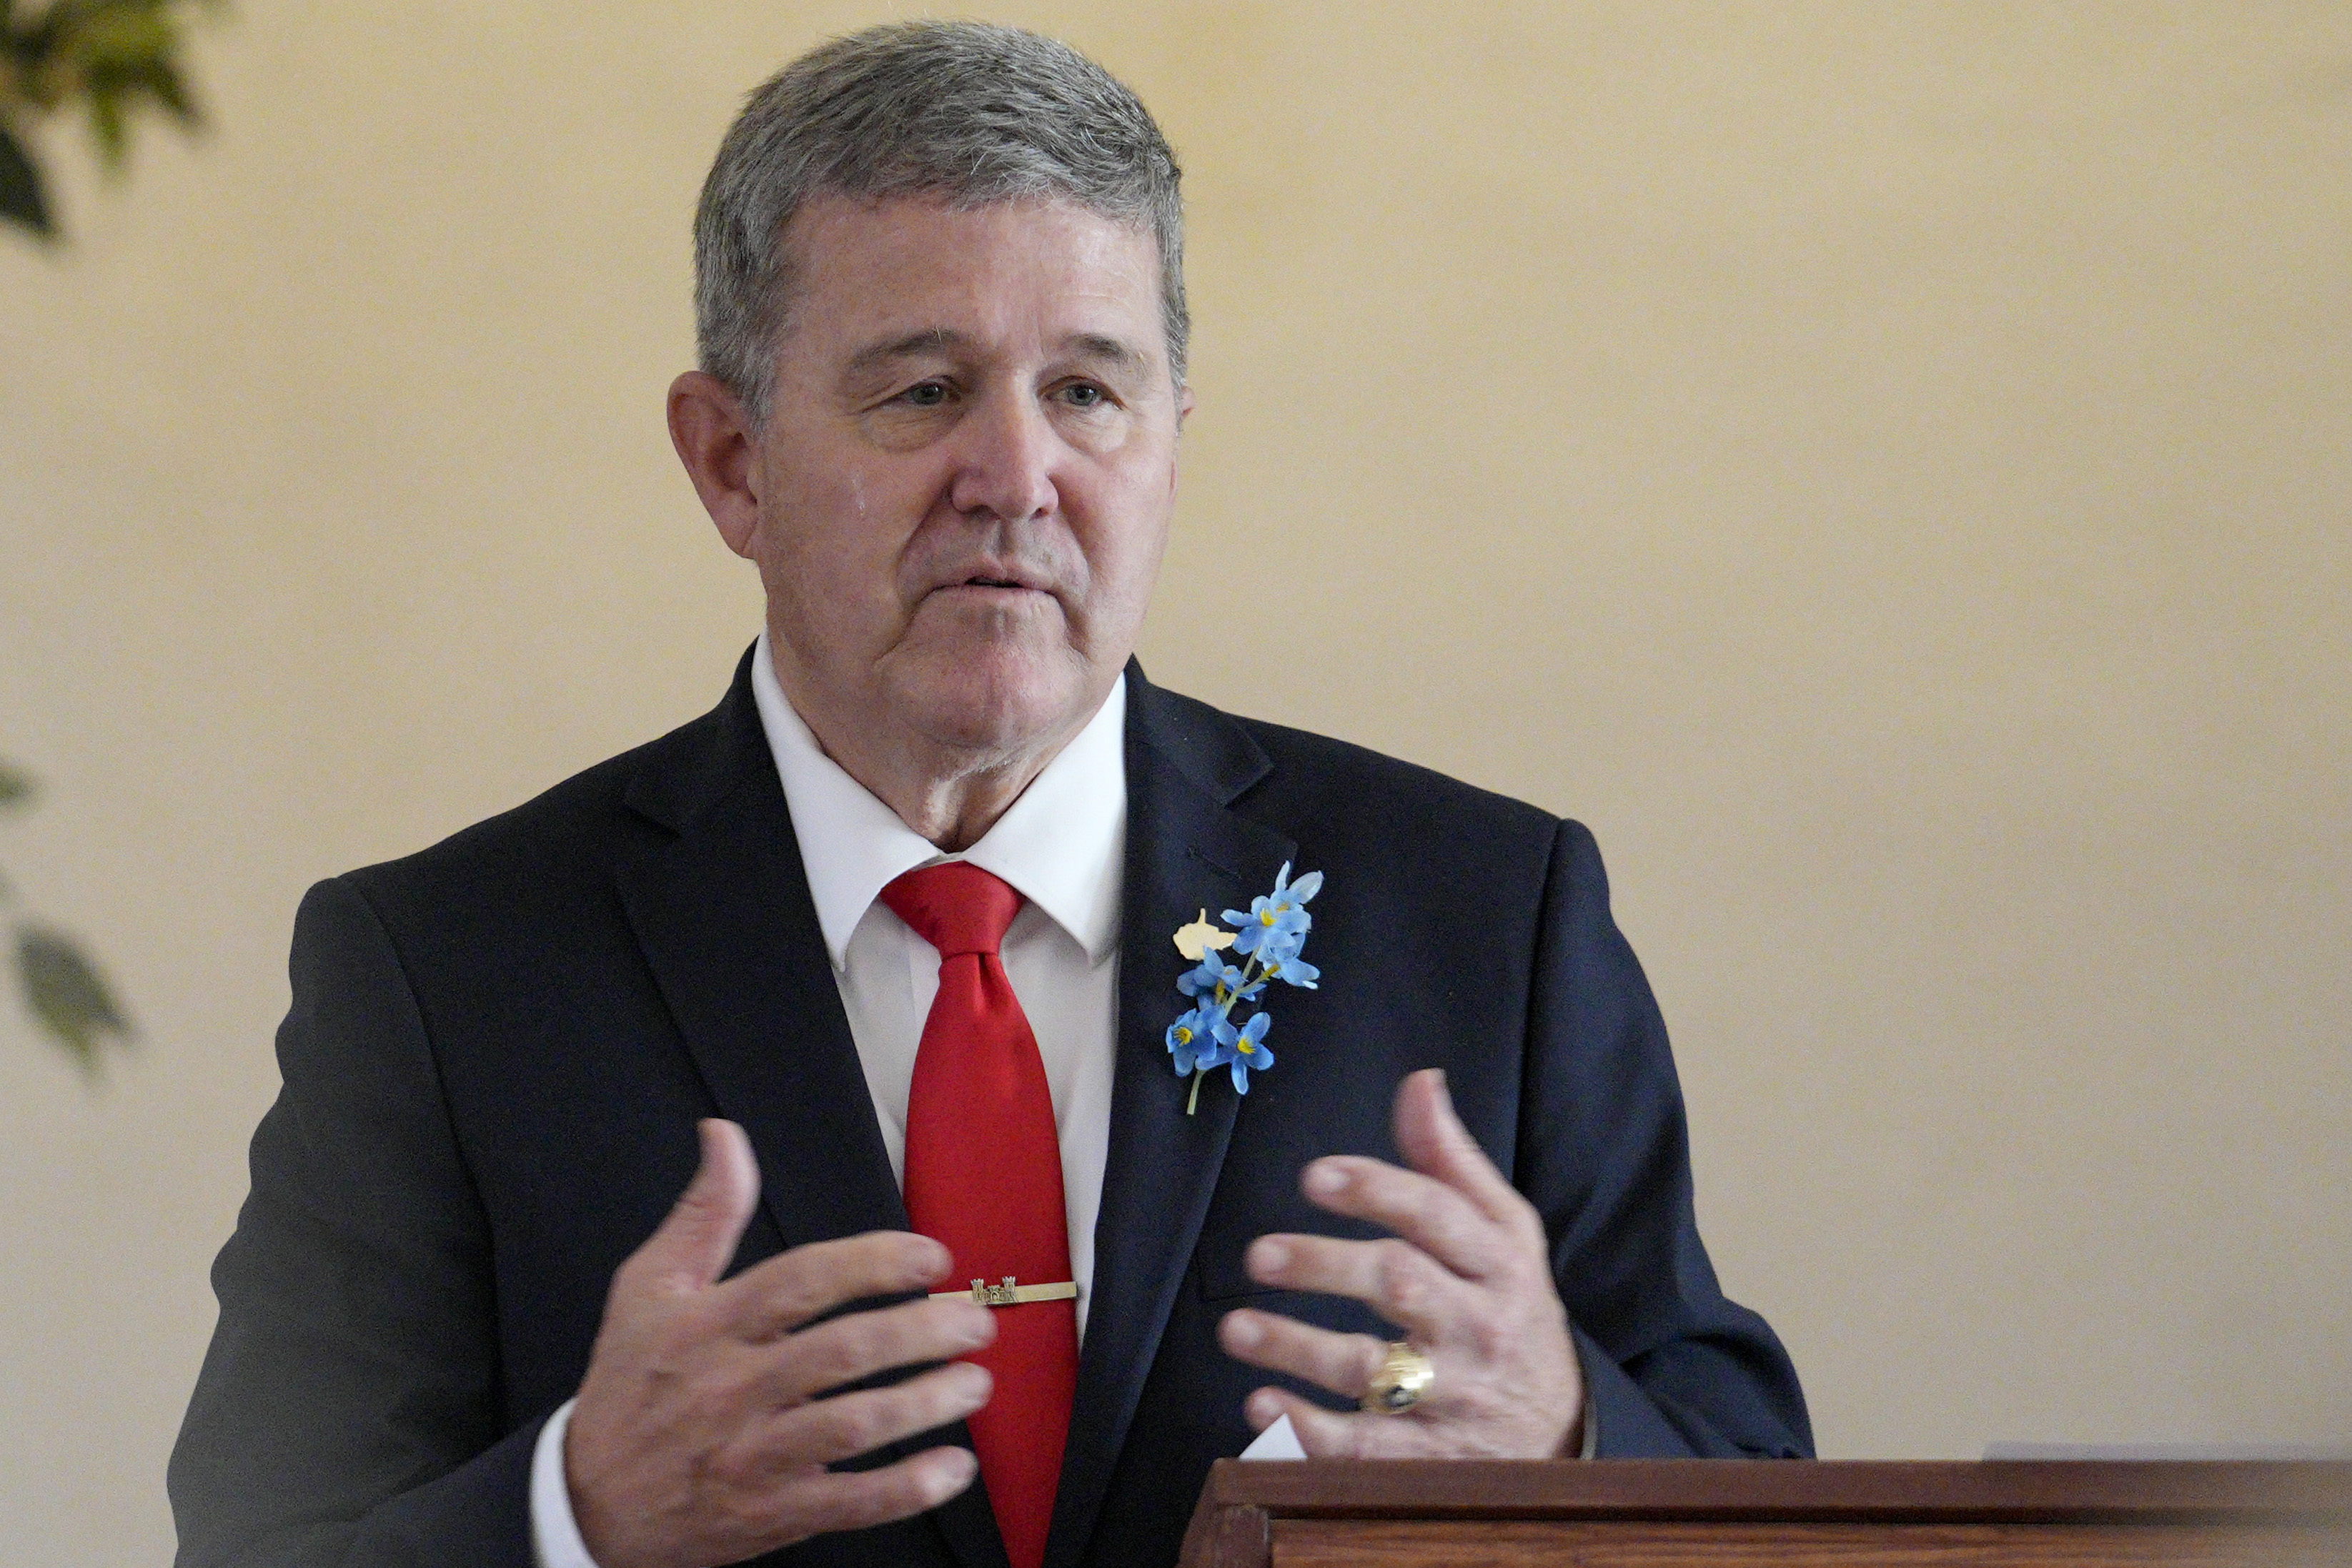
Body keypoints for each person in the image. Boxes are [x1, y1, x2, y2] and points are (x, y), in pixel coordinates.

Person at [169, 21, 1810, 1568]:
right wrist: (577, 1510)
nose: (1015, 477)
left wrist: (1570, 1430)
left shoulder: (1479, 918)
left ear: (1174, 434)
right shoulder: (445, 972)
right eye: (921, 390)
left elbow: (1768, 1504)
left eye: (1087, 390)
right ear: (729, 461)